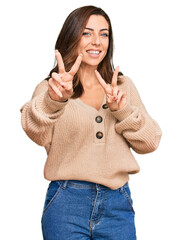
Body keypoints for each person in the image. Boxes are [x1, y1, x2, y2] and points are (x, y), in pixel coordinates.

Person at [20, 5, 162, 240]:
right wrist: (54, 101)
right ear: (71, 37)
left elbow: (151, 142)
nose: (97, 41)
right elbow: (35, 132)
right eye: (87, 33)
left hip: (117, 204)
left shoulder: (123, 87)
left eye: (104, 34)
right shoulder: (50, 89)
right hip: (66, 205)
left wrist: (122, 110)